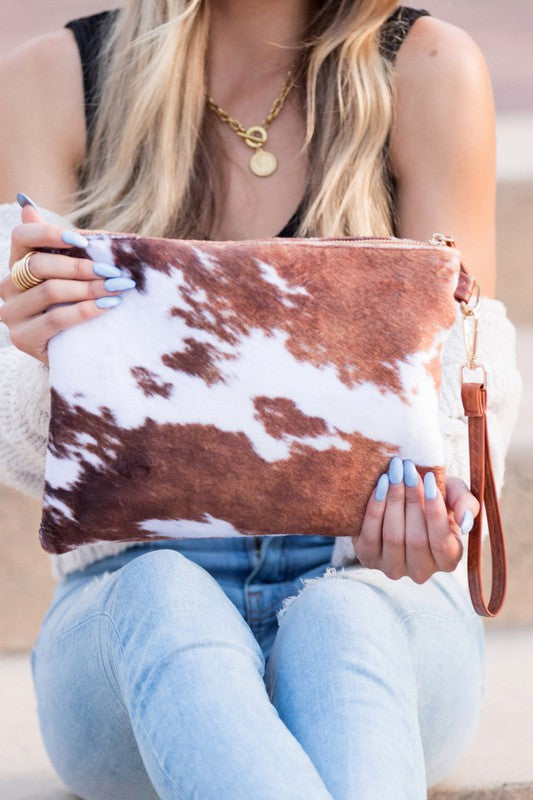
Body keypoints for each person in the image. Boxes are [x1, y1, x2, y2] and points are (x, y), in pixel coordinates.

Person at [0, 2, 522, 799]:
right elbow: (28, 462)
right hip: (126, 618)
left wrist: (437, 511)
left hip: (382, 600)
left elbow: (465, 377)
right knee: (163, 591)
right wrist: (39, 355)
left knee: (344, 617)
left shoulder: (426, 68)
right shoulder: (52, 80)